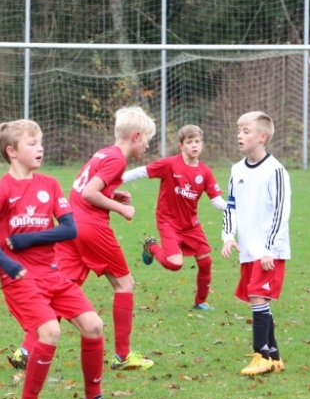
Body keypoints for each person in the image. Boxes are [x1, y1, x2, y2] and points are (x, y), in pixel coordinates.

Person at [0, 120, 134, 399]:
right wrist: (8, 263)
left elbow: (70, 229)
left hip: (52, 274)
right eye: (32, 143)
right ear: (12, 151)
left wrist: (27, 239)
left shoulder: (50, 184)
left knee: (94, 326)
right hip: (19, 278)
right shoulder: (3, 188)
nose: (40, 148)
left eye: (40, 142)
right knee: (50, 331)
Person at [55, 106, 157, 371]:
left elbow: (85, 188)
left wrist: (112, 194)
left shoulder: (103, 153)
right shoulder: (118, 159)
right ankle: (123, 356)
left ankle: (27, 349)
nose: (147, 145)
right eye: (147, 139)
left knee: (61, 287)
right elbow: (90, 192)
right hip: (91, 227)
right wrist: (121, 208)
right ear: (135, 136)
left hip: (70, 224)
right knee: (125, 284)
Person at [122, 124, 227, 311]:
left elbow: (216, 200)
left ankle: (200, 302)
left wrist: (234, 209)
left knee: (205, 262)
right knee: (175, 264)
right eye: (189, 142)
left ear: (202, 144)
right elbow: (141, 172)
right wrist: (113, 180)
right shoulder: (170, 164)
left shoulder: (205, 172)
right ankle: (151, 246)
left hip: (191, 225)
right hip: (168, 222)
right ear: (181, 146)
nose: (194, 145)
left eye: (197, 141)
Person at [221, 111, 292, 376]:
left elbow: (281, 212)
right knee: (256, 297)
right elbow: (231, 205)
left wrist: (270, 248)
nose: (240, 135)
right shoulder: (236, 170)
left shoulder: (275, 171)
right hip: (248, 250)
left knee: (256, 296)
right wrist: (228, 235)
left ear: (262, 137)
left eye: (246, 131)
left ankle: (261, 355)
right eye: (239, 131)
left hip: (268, 251)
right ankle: (274, 357)